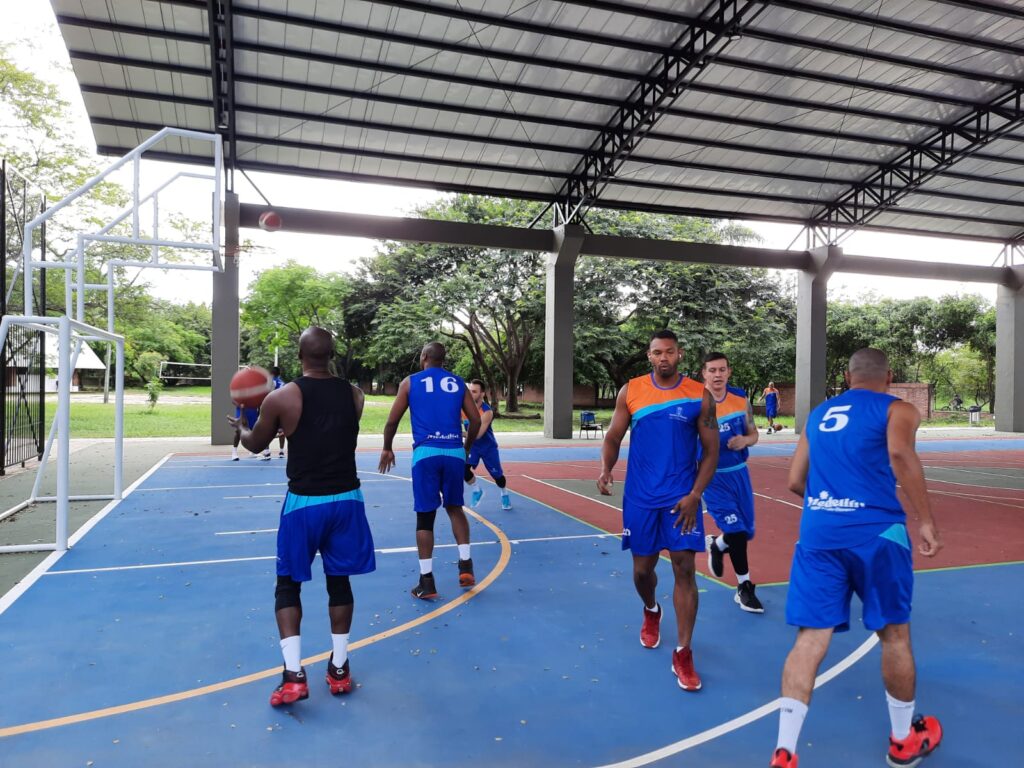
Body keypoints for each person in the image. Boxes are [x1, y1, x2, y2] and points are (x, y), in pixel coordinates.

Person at [769, 348, 943, 768]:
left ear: (847, 376)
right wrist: (925, 520)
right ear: (890, 376)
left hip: (819, 535)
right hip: (877, 534)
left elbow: (795, 480)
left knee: (810, 639)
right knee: (895, 634)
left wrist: (830, 504)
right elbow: (901, 455)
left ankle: (785, 750)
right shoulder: (897, 409)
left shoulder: (820, 413)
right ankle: (903, 741)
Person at [228, 327, 375, 707]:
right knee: (339, 581)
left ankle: (294, 676)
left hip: (305, 502)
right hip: (347, 500)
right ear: (332, 354)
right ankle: (339, 667)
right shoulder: (355, 395)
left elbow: (256, 444)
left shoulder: (282, 397)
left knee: (288, 584)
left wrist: (244, 426)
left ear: (299, 356)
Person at [597, 330, 719, 692]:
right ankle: (651, 609)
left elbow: (711, 452)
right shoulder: (630, 390)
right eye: (656, 353)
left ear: (679, 355)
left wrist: (696, 493)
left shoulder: (699, 395)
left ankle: (683, 651)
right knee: (642, 571)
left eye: (669, 352)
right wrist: (606, 468)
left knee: (684, 569)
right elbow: (613, 437)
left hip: (681, 499)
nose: (663, 357)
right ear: (648, 356)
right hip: (640, 498)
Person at [378, 342, 481, 599]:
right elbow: (475, 420)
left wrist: (387, 447)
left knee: (425, 516)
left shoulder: (410, 382)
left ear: (424, 357)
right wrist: (465, 448)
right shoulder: (457, 382)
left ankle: (427, 581)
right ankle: (465, 565)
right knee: (455, 508)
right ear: (444, 360)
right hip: (454, 452)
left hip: (426, 454)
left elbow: (392, 420)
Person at [700, 352, 763, 613]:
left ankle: (717, 544)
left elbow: (754, 433)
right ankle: (744, 587)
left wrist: (745, 441)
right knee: (737, 531)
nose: (717, 375)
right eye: (712, 370)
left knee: (745, 533)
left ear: (729, 371)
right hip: (712, 476)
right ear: (703, 373)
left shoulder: (739, 399)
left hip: (739, 473)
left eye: (721, 370)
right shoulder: (695, 402)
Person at [464, 379, 512, 511]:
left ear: (482, 394)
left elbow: (478, 434)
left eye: (474, 392)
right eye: (469, 391)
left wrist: (459, 433)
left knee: (498, 478)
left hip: (487, 447)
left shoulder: (487, 412)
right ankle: (477, 490)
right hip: (473, 446)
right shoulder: (464, 409)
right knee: (463, 470)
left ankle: (504, 493)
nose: (471, 394)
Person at [271, 366, 286, 458]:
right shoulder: (283, 383)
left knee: (267, 430)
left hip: (271, 408)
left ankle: (267, 452)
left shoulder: (269, 382)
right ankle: (281, 452)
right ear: (279, 374)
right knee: (281, 430)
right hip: (281, 408)